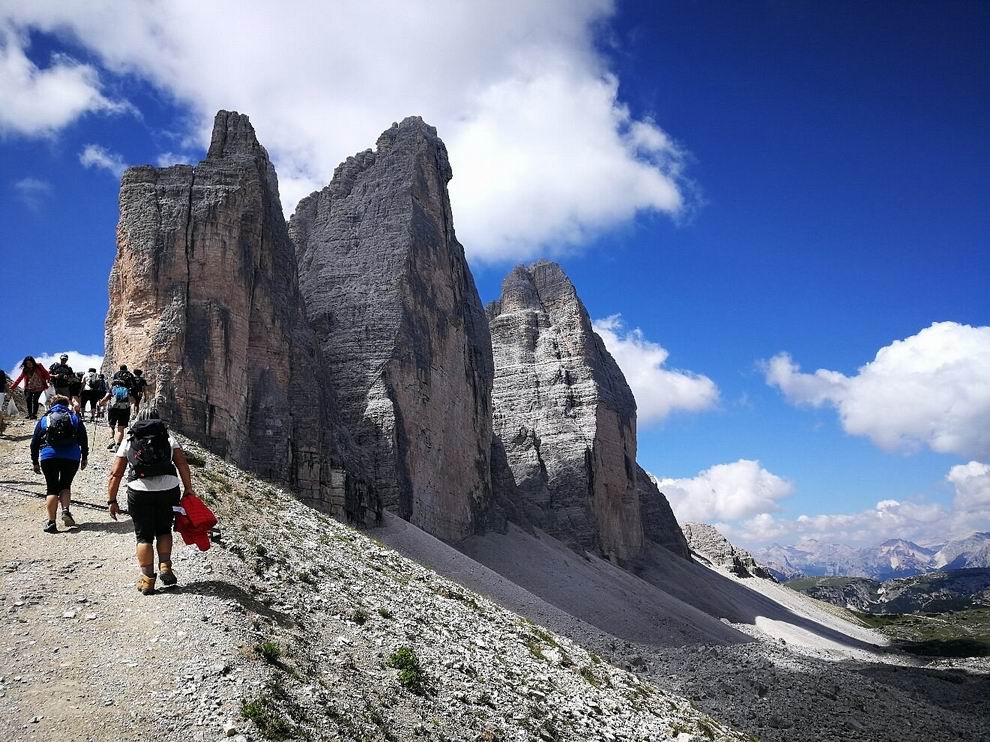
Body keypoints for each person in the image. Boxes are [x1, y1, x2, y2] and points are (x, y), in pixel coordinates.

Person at [108, 408, 197, 594]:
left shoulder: (130, 439)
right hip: (169, 490)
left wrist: (112, 500)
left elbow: (116, 473)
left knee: (144, 536)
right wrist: (188, 489)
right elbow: (182, 464)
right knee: (164, 529)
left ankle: (148, 580)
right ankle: (165, 566)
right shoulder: (168, 439)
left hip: (139, 491)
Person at [30, 395, 88, 533]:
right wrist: (84, 457)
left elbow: (34, 442)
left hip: (49, 456)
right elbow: (83, 439)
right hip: (71, 457)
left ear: (51, 405)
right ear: (67, 405)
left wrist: (34, 461)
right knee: (66, 485)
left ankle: (51, 523)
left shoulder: (45, 419)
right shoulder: (74, 418)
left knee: (51, 488)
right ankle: (66, 510)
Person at [100, 380, 133, 450]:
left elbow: (105, 398)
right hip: (125, 409)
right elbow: (132, 401)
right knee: (121, 428)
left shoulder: (112, 389)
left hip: (113, 408)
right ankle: (118, 445)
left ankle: (111, 439)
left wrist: (100, 403)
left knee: (111, 425)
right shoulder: (126, 390)